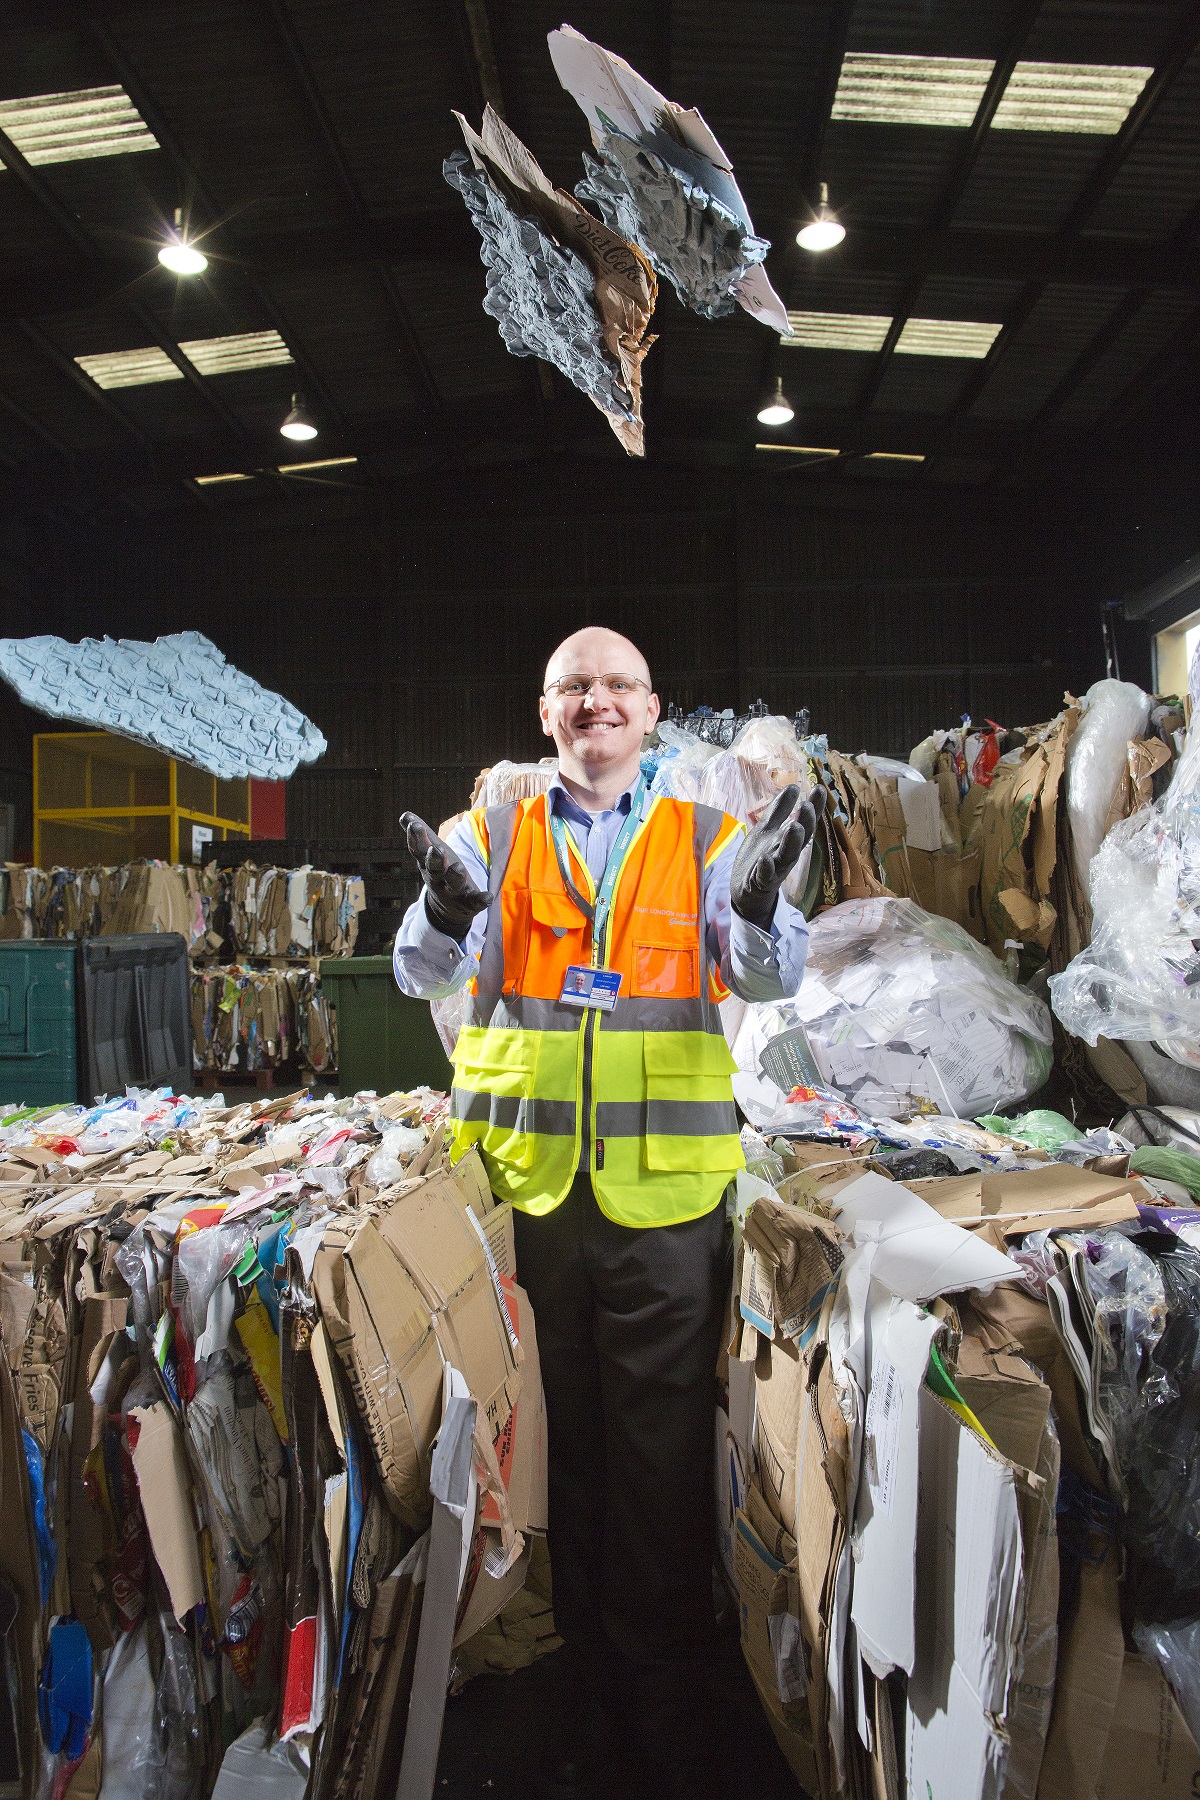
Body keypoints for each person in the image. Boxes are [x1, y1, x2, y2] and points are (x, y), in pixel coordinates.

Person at [393, 627, 821, 1796]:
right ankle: (579, 1676)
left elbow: (766, 976)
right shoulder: (490, 833)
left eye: (617, 688)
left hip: (666, 1204)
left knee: (660, 1449)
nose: (597, 703)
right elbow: (418, 974)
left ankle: (658, 1693)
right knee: (557, 1439)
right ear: (546, 715)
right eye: (574, 688)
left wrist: (771, 905)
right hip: (531, 1196)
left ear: (652, 711)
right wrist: (438, 915)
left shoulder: (709, 837)